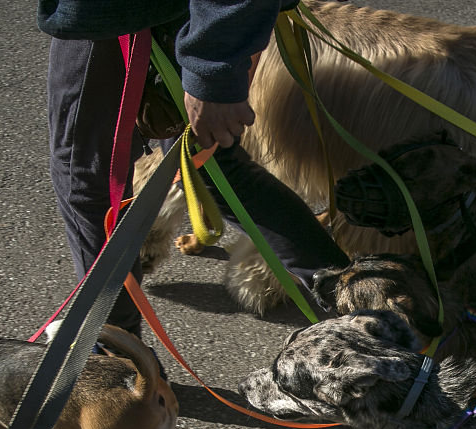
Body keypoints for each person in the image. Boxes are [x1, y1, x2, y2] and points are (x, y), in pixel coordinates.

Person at [38, 0, 348, 336]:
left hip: (129, 16)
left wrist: (212, 73)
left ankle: (117, 354)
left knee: (85, 178)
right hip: (201, 20)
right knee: (215, 169)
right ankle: (367, 308)